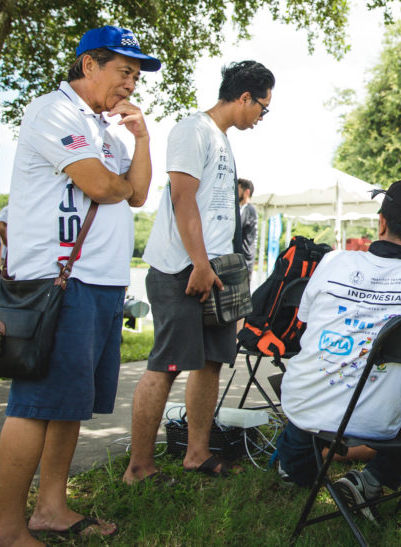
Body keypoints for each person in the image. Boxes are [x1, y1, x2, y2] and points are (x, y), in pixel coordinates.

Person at [0, 26, 159, 545]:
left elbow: (137, 193)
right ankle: (6, 529)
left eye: (135, 75)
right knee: (34, 405)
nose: (131, 84)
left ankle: (51, 509)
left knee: (68, 405)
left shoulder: (103, 129)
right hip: (60, 282)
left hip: (100, 283)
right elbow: (104, 186)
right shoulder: (53, 111)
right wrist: (118, 185)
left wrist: (142, 139)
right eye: (124, 71)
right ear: (88, 65)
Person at [277, 179, 401, 521]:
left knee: (301, 457)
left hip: (302, 405)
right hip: (375, 420)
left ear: (381, 222)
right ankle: (374, 479)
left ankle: (298, 460)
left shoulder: (332, 262)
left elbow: (306, 322)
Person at [122, 60, 274, 485]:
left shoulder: (222, 140)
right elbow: (181, 199)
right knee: (167, 366)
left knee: (210, 364)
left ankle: (197, 453)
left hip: (215, 272)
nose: (261, 117)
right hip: (181, 269)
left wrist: (219, 270)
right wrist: (201, 264)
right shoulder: (192, 130)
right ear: (244, 97)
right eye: (263, 107)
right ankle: (139, 467)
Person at [237, 177, 258, 270]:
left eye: (238, 190)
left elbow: (235, 228)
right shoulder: (248, 209)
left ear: (247, 192)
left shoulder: (248, 209)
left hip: (244, 261)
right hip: (245, 260)